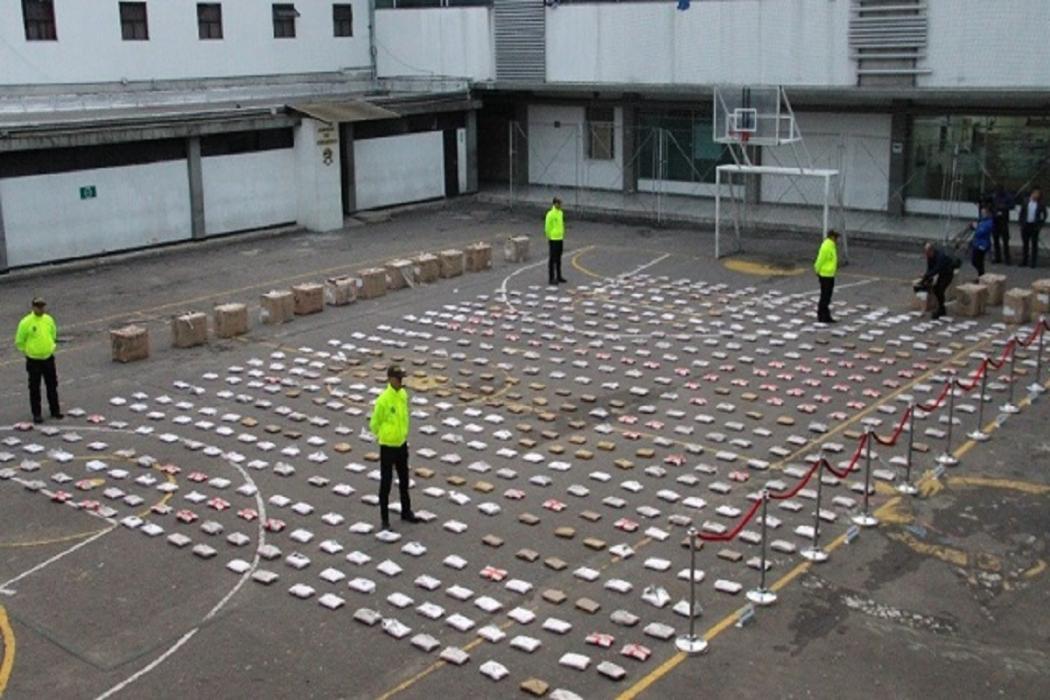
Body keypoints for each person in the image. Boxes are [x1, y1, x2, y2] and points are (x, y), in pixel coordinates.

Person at [369, 365, 419, 530]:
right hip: (388, 446)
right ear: (390, 379)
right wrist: (385, 435)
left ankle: (406, 511)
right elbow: (374, 424)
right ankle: (385, 520)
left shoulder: (403, 395)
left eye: (402, 378)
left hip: (401, 444)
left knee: (404, 480)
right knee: (386, 483)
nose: (401, 381)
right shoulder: (383, 400)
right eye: (398, 378)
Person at [14, 297, 63, 424]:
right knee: (34, 388)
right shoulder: (26, 322)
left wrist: (51, 346)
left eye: (42, 306)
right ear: (33, 307)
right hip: (34, 360)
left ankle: (55, 410)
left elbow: (53, 334)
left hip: (48, 358)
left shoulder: (48, 319)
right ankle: (37, 414)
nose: (41, 309)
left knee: (52, 385)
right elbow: (19, 341)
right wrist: (28, 352)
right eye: (38, 306)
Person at [917, 243, 958, 320]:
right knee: (936, 289)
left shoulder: (940, 257)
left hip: (947, 273)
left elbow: (937, 269)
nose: (926, 255)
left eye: (927, 253)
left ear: (931, 251)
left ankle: (941, 309)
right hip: (941, 273)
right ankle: (940, 307)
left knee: (940, 290)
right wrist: (925, 279)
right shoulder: (930, 256)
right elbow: (930, 268)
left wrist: (926, 276)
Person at [813, 229, 840, 324]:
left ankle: (826, 316)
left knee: (827, 297)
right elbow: (820, 259)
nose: (837, 239)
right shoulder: (826, 246)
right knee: (825, 296)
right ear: (832, 237)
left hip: (830, 274)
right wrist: (817, 269)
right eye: (836, 237)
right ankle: (822, 316)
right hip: (825, 275)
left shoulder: (831, 246)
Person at [1019, 186, 1047, 268]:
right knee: (1025, 244)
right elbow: (1022, 213)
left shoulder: (1041, 204)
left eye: (1038, 194)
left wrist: (1040, 225)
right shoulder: (1026, 201)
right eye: (1035, 193)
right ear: (1032, 193)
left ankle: (1033, 262)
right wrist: (1021, 223)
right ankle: (1024, 261)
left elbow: (1044, 215)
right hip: (1026, 225)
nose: (1036, 195)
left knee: (1034, 244)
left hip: (1034, 226)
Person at [545, 196, 567, 285]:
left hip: (560, 238)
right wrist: (549, 236)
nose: (561, 205)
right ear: (555, 204)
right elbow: (547, 227)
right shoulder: (550, 214)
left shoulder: (560, 213)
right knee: (552, 259)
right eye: (559, 203)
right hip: (553, 239)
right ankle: (551, 278)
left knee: (559, 258)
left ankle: (559, 276)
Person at [991, 185, 1014, 264]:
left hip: (1003, 221)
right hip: (995, 220)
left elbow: (1012, 206)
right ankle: (998, 257)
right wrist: (994, 211)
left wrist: (1003, 207)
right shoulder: (994, 196)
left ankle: (1007, 258)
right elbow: (991, 205)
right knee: (996, 240)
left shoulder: (1007, 197)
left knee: (1005, 240)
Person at [969, 206, 993, 278]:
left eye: (984, 213)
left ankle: (981, 276)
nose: (982, 214)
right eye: (981, 213)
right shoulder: (982, 221)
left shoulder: (989, 222)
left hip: (982, 244)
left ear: (988, 213)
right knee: (976, 261)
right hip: (977, 243)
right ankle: (981, 276)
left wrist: (976, 227)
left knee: (978, 261)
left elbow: (981, 232)